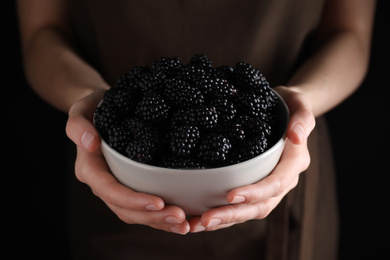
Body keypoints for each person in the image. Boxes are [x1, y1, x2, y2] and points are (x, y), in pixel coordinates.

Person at [16, 0, 376, 259]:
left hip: (281, 171)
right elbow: (41, 34)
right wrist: (89, 100)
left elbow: (350, 34)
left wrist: (300, 100)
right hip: (115, 184)